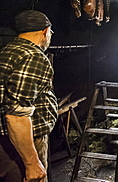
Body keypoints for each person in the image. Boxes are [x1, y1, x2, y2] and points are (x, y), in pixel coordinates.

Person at [0, 10, 58, 182]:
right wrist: (32, 163)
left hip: (7, 140)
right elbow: (16, 115)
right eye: (51, 33)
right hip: (24, 142)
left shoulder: (8, 51)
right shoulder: (33, 57)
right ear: (45, 31)